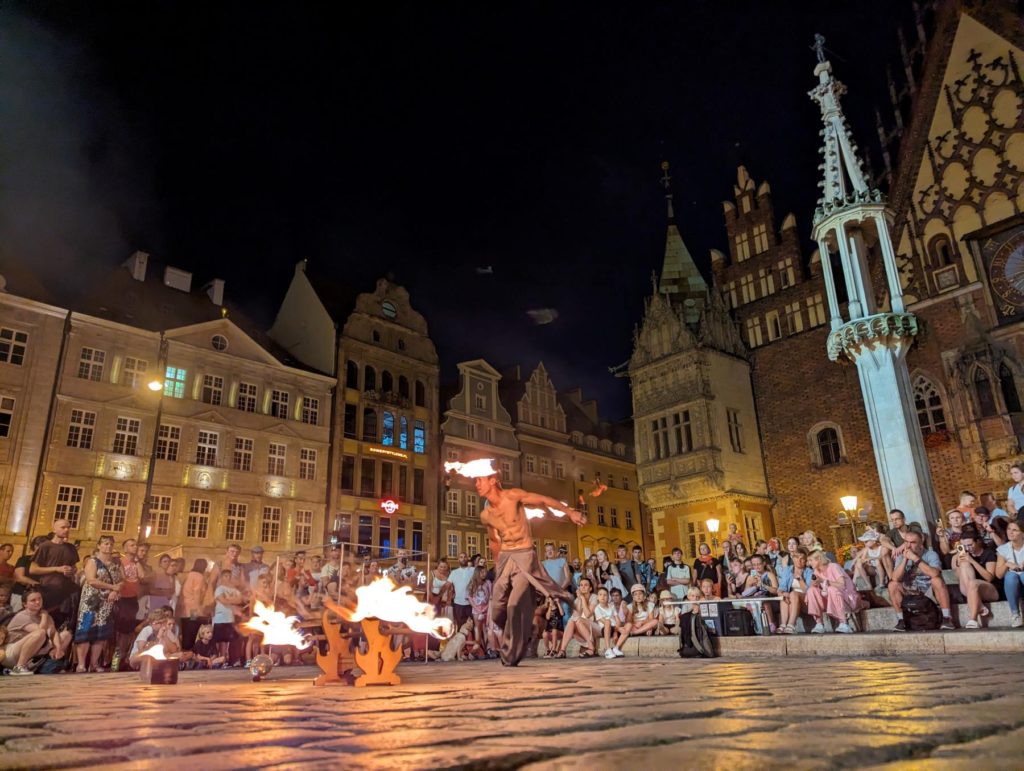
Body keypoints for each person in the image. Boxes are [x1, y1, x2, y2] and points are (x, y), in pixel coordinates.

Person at [464, 463, 584, 666]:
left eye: (480, 479)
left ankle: (511, 653)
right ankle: (523, 630)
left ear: (493, 480)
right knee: (496, 610)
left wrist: (569, 512)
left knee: (513, 605)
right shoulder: (486, 515)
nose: (476, 484)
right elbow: (494, 541)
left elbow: (543, 500)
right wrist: (497, 564)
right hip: (505, 558)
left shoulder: (513, 496)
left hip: (525, 555)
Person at [73, 534, 124, 673]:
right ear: (99, 545)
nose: (108, 546)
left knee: (101, 632)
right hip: (91, 600)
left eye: (110, 544)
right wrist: (112, 587)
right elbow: (92, 580)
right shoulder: (93, 561)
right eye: (105, 543)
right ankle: (81, 663)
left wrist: (116, 590)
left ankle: (94, 663)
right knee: (86, 629)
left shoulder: (116, 563)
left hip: (107, 601)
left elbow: (122, 580)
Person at [888, 529, 955, 631]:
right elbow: (895, 578)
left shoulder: (930, 554)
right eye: (906, 542)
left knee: (937, 580)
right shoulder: (901, 557)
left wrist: (915, 559)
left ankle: (947, 618)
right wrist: (905, 560)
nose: (909, 545)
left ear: (921, 543)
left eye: (913, 542)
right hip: (910, 591)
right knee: (892, 585)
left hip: (928, 591)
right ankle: (901, 620)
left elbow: (935, 573)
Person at [5, 587, 71, 672]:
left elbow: (53, 633)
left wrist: (58, 648)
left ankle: (49, 663)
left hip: (33, 650)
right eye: (33, 600)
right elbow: (41, 631)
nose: (38, 602)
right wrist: (44, 616)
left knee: (66, 635)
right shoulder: (22, 616)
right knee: (40, 633)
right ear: (25, 604)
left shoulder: (46, 615)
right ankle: (19, 667)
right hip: (11, 652)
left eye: (39, 599)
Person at [30, 518, 80, 628]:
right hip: (48, 590)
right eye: (63, 527)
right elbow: (33, 569)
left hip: (65, 592)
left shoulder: (71, 548)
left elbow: (74, 567)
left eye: (68, 527)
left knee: (62, 623)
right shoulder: (45, 546)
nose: (66, 530)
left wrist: (70, 572)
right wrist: (57, 569)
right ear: (54, 529)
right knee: (45, 623)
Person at [952, 525, 999, 629]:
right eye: (965, 546)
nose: (968, 548)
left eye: (970, 545)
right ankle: (980, 605)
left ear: (978, 541)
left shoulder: (988, 554)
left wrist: (972, 561)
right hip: (969, 590)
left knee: (973, 583)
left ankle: (973, 619)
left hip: (990, 590)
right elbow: (958, 578)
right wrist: (958, 563)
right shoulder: (965, 554)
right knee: (964, 565)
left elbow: (989, 578)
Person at [806, 550, 858, 634]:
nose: (809, 563)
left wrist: (824, 581)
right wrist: (814, 585)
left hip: (847, 598)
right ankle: (819, 624)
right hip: (829, 598)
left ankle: (844, 623)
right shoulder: (816, 571)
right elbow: (814, 587)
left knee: (832, 589)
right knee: (811, 590)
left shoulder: (833, 566)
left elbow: (842, 585)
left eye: (811, 560)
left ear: (818, 558)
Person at [555, 577, 597, 658]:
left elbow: (588, 614)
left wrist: (582, 598)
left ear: (590, 588)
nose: (583, 587)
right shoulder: (577, 600)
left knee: (577, 620)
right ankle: (562, 650)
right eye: (581, 585)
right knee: (571, 621)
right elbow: (576, 616)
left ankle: (591, 648)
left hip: (594, 628)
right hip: (581, 629)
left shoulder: (594, 597)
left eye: (586, 585)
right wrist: (580, 600)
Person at [995, 521, 1024, 627]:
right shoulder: (1003, 549)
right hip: (1013, 587)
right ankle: (1015, 614)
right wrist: (1007, 564)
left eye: (1015, 530)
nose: (1010, 532)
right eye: (1009, 529)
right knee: (1010, 576)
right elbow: (998, 575)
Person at [777, 547, 812, 634]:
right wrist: (782, 593)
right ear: (793, 558)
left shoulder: (809, 571)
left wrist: (800, 580)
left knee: (793, 593)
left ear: (806, 560)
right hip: (792, 599)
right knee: (784, 597)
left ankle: (791, 624)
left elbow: (809, 591)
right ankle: (783, 625)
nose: (799, 561)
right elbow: (781, 588)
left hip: (806, 600)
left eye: (802, 559)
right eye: (796, 558)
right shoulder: (788, 570)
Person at [178, 559, 210, 652]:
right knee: (191, 634)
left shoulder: (188, 575)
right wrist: (200, 611)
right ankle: (189, 656)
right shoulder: (199, 577)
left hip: (184, 610)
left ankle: (185, 655)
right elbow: (197, 594)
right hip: (193, 611)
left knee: (186, 634)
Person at [12, 535, 48, 610]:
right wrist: (38, 584)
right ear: (36, 546)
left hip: (38, 597)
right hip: (21, 594)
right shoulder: (25, 559)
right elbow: (19, 577)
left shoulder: (46, 562)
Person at [467, 564, 491, 653]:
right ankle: (478, 649)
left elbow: (491, 597)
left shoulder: (488, 583)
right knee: (478, 629)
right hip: (476, 610)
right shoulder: (472, 584)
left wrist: (487, 607)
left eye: (485, 572)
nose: (484, 574)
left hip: (486, 609)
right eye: (482, 572)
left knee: (487, 628)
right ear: (477, 573)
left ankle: (487, 649)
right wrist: (477, 608)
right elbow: (469, 597)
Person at [448, 552, 475, 630]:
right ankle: (461, 642)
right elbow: (448, 585)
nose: (463, 559)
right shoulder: (454, 572)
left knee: (473, 626)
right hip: (458, 604)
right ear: (458, 560)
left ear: (468, 558)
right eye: (461, 557)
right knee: (460, 625)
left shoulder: (473, 570)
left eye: (465, 557)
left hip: (471, 603)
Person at [593, 587, 621, 658]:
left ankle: (616, 648)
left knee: (628, 625)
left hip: (615, 628)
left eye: (605, 595)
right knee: (607, 621)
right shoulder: (597, 609)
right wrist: (615, 630)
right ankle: (608, 650)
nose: (602, 596)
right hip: (605, 629)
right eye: (600, 594)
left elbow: (617, 619)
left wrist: (615, 631)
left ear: (608, 597)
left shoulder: (611, 606)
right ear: (597, 597)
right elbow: (605, 622)